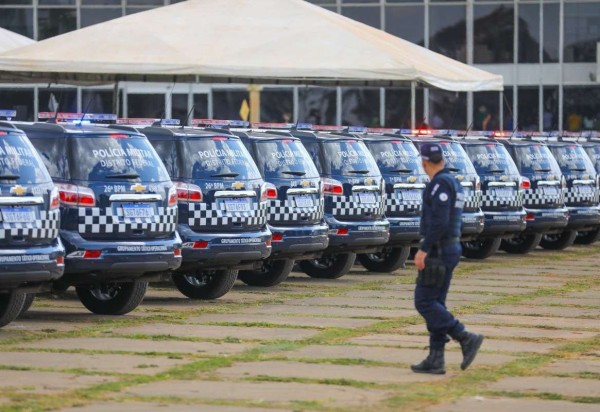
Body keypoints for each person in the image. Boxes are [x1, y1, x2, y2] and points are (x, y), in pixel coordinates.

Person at [412, 143, 484, 375]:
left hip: (440, 250)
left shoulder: (440, 184)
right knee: (436, 304)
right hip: (450, 247)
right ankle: (436, 359)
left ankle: (465, 336)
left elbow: (440, 222)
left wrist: (424, 249)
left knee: (424, 301)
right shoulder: (452, 181)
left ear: (423, 162)